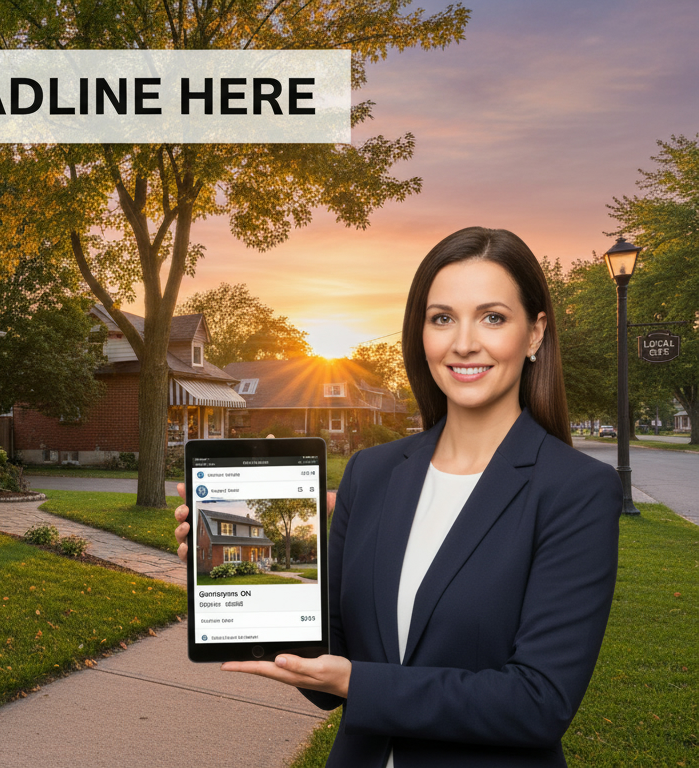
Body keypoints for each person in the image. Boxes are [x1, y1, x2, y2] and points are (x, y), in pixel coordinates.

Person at [173, 227, 620, 767]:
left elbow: (538, 703)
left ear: (534, 333)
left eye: (493, 317)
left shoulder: (576, 490)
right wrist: (253, 608)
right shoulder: (372, 472)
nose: (464, 342)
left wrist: (361, 683)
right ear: (422, 333)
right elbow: (328, 669)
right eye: (442, 318)